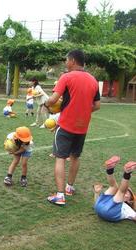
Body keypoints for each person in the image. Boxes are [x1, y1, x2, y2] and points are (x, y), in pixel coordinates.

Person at [44, 49, 101, 205]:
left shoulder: (66, 77)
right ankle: (69, 187)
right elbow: (97, 105)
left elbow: (54, 99)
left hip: (65, 125)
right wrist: (81, 110)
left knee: (60, 157)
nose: (65, 63)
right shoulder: (93, 80)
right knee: (75, 156)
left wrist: (46, 103)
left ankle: (60, 195)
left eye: (66, 60)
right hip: (82, 127)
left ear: (73, 61)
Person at [94, 156, 136, 222]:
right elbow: (97, 205)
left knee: (119, 190)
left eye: (128, 193)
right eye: (126, 191)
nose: (125, 194)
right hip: (100, 208)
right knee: (114, 187)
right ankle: (111, 169)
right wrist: (97, 193)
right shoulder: (114, 199)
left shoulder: (128, 209)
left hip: (108, 212)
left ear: (130, 201)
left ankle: (124, 172)